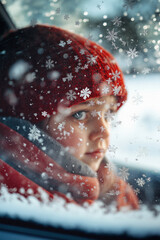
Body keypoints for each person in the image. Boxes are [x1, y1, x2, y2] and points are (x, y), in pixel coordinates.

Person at [0, 24, 139, 210]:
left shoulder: (110, 187)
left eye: (107, 114)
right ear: (27, 129)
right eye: (79, 114)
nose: (103, 132)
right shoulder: (23, 201)